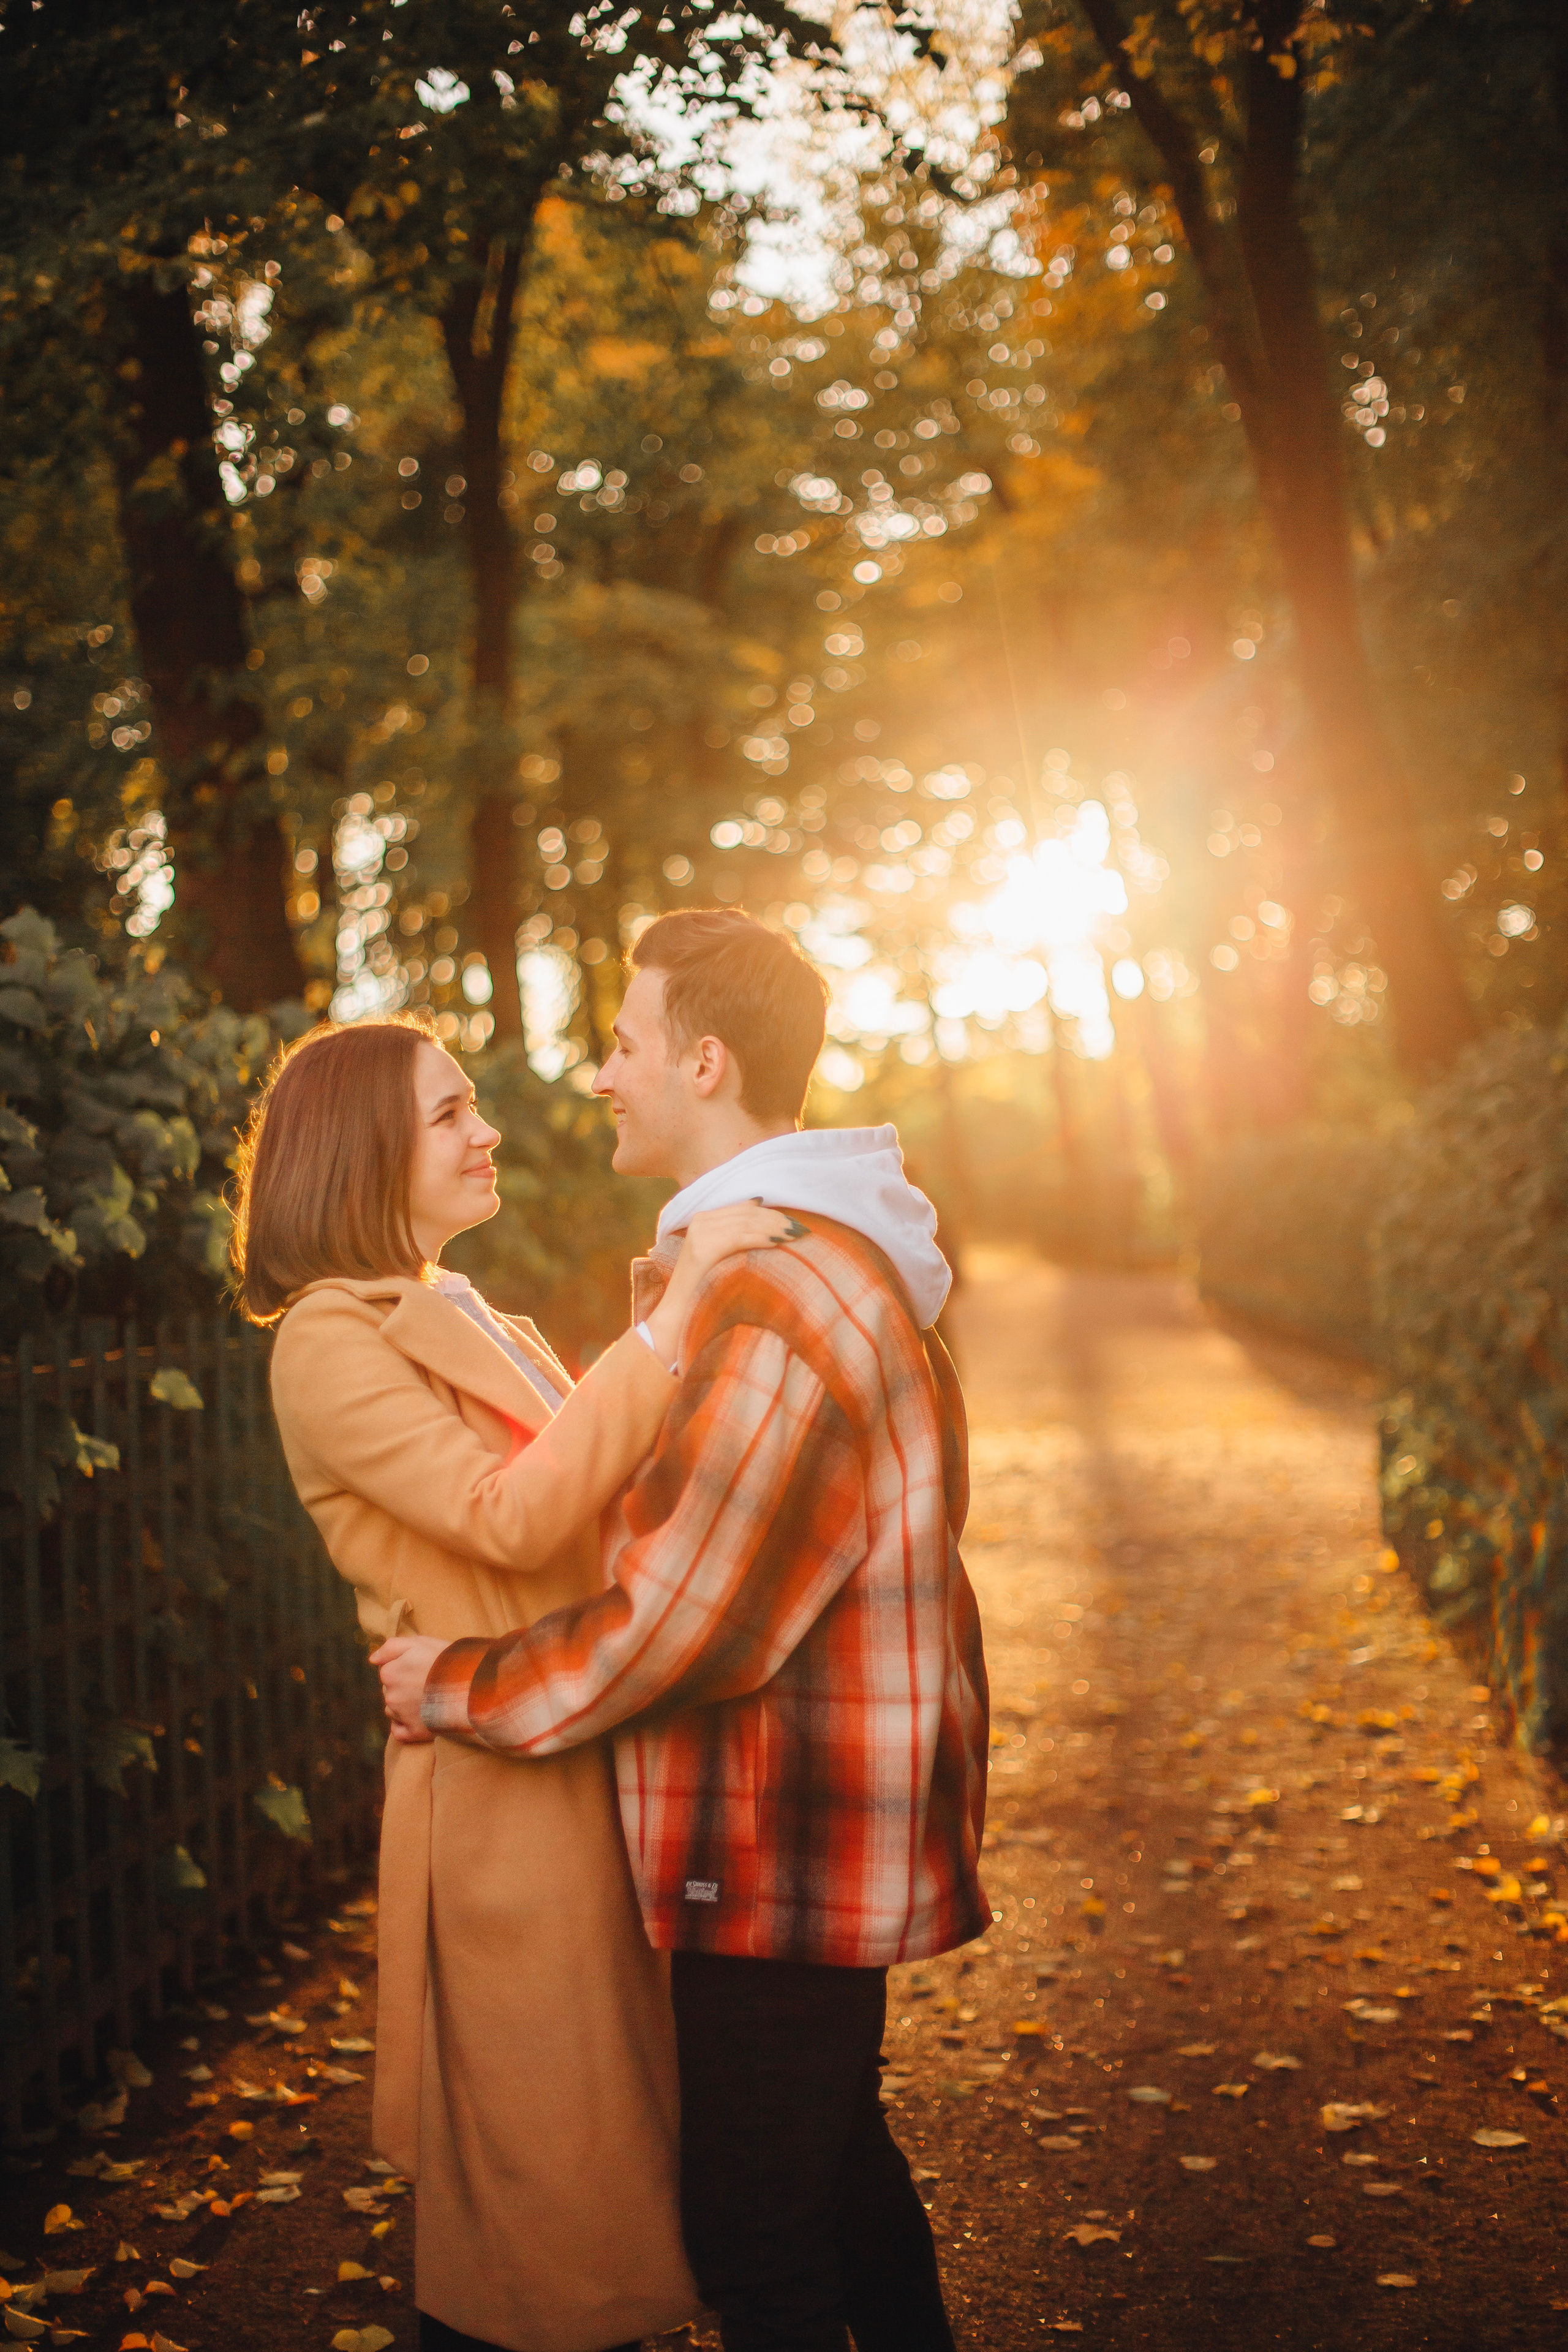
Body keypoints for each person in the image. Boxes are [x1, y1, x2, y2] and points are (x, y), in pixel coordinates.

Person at [375, 910, 991, 2352]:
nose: (600, 1074)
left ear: (704, 1060)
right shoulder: (765, 1264)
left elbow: (676, 1623)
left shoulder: (776, 1294)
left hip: (780, 1841)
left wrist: (454, 1686)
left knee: (757, 2236)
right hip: (796, 1831)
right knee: (835, 2183)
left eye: (624, 1042)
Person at [233, 1009, 796, 2352]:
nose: (486, 1133)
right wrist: (665, 1328)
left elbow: (605, 1501)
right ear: (360, 1150)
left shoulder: (457, 1304)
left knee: (595, 2184)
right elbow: (504, 1518)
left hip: (567, 1737)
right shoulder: (327, 1336)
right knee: (541, 2218)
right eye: (447, 1114)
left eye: (471, 1105)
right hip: (498, 1801)